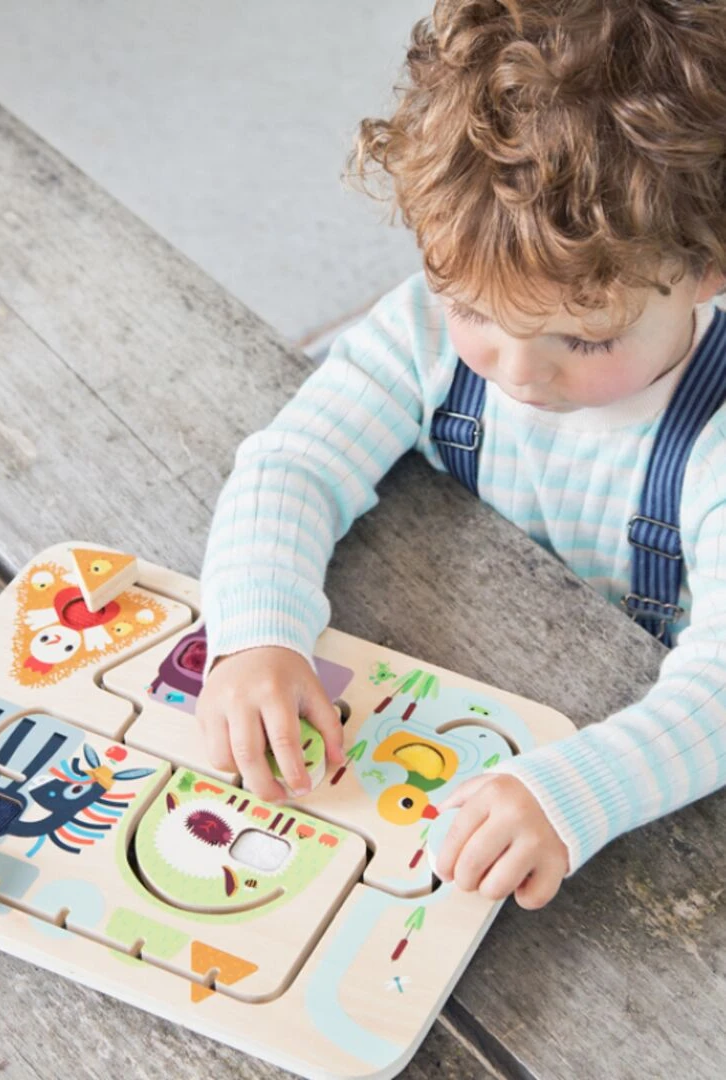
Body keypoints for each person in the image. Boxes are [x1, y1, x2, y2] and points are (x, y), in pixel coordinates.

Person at [195, 0, 726, 910]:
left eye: (583, 341)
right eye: (473, 311)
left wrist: (575, 792)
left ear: (709, 270)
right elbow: (293, 466)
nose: (519, 373)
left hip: (623, 736)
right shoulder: (419, 328)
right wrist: (254, 634)